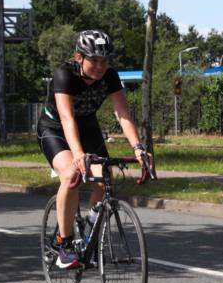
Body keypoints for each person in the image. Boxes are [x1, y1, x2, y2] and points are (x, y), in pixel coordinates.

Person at [37, 30, 148, 269]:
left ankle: (88, 233)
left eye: (105, 60)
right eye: (94, 60)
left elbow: (122, 114)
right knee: (71, 175)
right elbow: (66, 118)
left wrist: (138, 148)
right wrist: (77, 155)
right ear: (79, 57)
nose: (100, 66)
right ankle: (63, 244)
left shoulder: (110, 76)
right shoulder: (64, 75)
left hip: (88, 128)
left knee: (104, 179)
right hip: (54, 129)